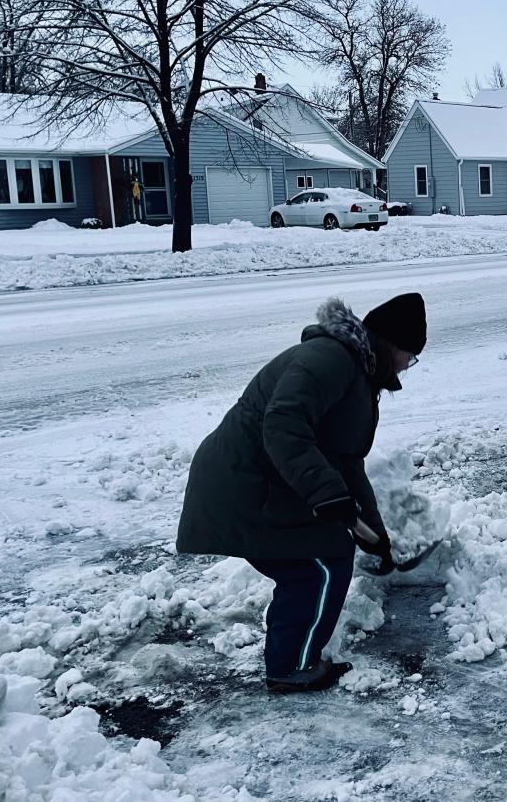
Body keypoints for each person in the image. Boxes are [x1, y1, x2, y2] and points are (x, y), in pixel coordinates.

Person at [176, 293, 426, 693]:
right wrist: (328, 496)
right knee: (318, 565)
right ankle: (290, 667)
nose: (406, 366)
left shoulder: (356, 371)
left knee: (316, 562)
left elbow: (347, 462)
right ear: (393, 345)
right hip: (246, 481)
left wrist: (375, 533)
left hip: (270, 479)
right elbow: (283, 422)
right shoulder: (331, 359)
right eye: (409, 357)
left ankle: (289, 659)